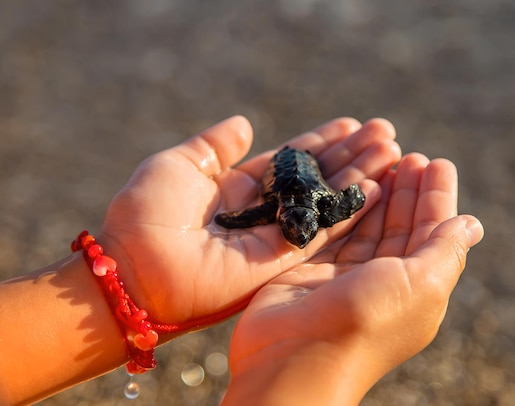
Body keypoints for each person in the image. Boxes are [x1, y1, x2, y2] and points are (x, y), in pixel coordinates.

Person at [0, 116, 484, 405]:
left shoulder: (315, 203)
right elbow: (244, 216)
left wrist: (132, 274)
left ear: (314, 214)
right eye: (293, 228)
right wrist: (321, 358)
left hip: (300, 169)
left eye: (305, 230)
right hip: (289, 168)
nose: (296, 237)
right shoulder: (274, 209)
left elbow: (346, 197)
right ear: (280, 213)